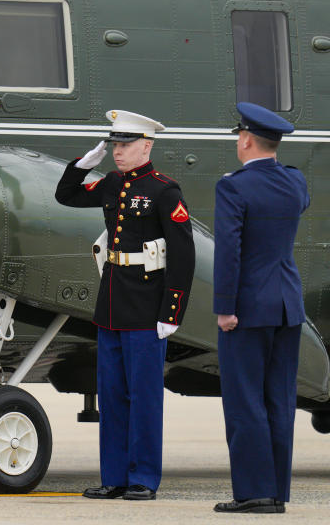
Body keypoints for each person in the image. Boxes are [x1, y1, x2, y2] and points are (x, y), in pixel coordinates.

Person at [55, 110, 195, 501]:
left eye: (126, 144)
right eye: (115, 144)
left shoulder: (164, 191)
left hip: (148, 307)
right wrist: (84, 165)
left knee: (144, 397)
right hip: (113, 303)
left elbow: (182, 255)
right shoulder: (112, 183)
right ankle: (114, 477)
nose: (118, 151)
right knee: (112, 394)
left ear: (146, 146)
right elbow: (65, 195)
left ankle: (143, 478)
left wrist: (171, 312)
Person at [212, 103, 309, 515]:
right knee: (279, 400)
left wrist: (225, 307)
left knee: (245, 400)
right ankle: (275, 493)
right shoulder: (295, 182)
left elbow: (230, 252)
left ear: (247, 140)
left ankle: (254, 492)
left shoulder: (233, 187)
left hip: (249, 308)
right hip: (288, 305)